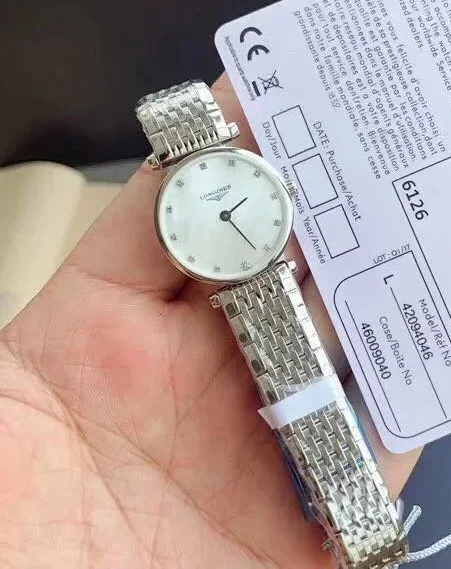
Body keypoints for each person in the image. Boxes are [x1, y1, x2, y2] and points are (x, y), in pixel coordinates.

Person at [0, 74, 420, 568]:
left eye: (230, 208)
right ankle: (367, 534)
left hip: (263, 270)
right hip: (246, 283)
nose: (223, 214)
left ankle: (366, 530)